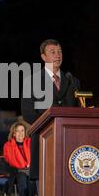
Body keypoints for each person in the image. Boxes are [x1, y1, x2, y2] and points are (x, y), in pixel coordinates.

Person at [21, 39, 80, 180]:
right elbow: (28, 114)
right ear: (43, 57)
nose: (57, 55)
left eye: (59, 52)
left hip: (69, 143)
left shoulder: (73, 81)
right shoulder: (32, 81)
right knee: (45, 187)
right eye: (52, 52)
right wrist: (50, 126)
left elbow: (79, 110)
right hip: (44, 140)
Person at [3, 122, 33, 196]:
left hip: (30, 170)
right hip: (17, 171)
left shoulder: (30, 142)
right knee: (22, 181)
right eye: (18, 131)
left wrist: (30, 164)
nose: (20, 133)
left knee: (32, 183)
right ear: (14, 133)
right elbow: (10, 161)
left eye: (22, 131)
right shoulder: (8, 145)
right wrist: (24, 165)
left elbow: (35, 156)